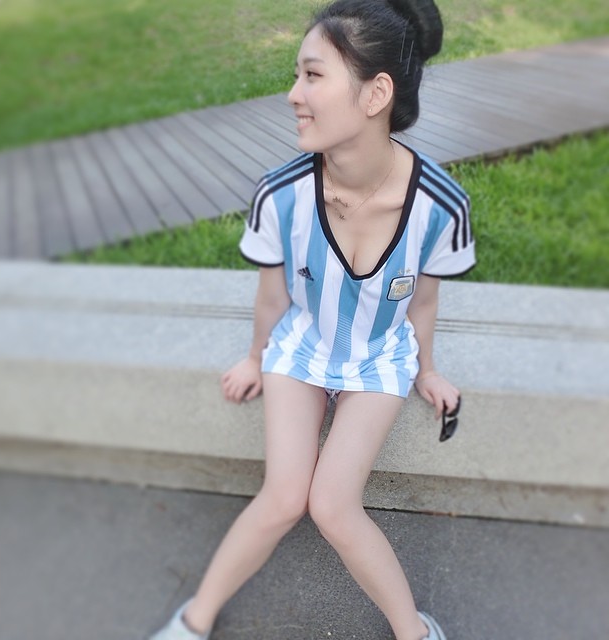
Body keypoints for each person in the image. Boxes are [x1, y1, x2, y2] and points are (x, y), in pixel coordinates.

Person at [150, 0, 475, 638]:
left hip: (379, 357)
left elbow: (423, 301)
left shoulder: (441, 205)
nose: (293, 94)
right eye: (297, 75)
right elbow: (273, 298)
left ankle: (415, 631)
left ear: (376, 93)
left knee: (331, 505)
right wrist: (255, 358)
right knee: (282, 498)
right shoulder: (281, 195)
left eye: (313, 75)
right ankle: (194, 620)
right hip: (301, 350)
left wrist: (428, 370)